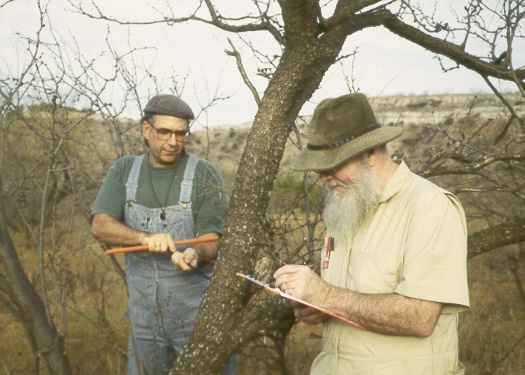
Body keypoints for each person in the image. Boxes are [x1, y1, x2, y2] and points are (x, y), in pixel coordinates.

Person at [274, 93, 469, 374]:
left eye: (332, 164)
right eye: (319, 167)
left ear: (370, 153)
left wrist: (325, 295)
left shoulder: (430, 207)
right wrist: (316, 305)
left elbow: (422, 318)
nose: (323, 177)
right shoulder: (346, 205)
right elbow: (345, 300)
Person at [91, 94, 233, 374]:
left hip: (195, 319)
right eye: (164, 132)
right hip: (144, 321)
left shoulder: (204, 173)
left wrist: (196, 253)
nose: (172, 142)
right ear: (146, 129)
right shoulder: (124, 170)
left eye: (180, 134)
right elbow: (100, 225)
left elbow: (214, 240)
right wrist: (144, 238)